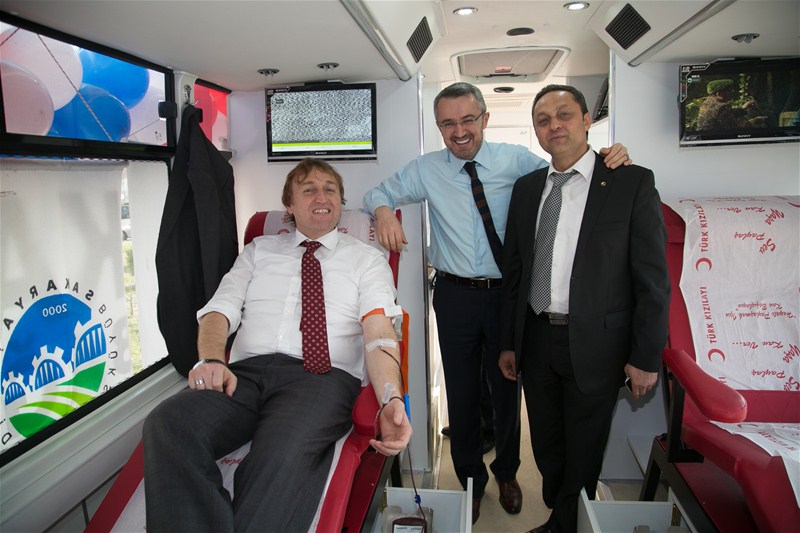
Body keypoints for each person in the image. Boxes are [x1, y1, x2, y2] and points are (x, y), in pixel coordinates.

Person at [363, 82, 630, 523]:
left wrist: (610, 156)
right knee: (461, 392)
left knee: (507, 391)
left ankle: (507, 472)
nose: (459, 131)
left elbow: (569, 168)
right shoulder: (426, 170)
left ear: (485, 118)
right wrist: (384, 211)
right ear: (439, 127)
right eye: (448, 123)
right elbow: (377, 192)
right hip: (453, 296)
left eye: (468, 119)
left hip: (509, 296)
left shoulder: (517, 161)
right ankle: (470, 478)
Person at [143, 158, 412, 532]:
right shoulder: (258, 251)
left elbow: (379, 331)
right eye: (309, 189)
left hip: (320, 379)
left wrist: (390, 398)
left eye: (330, 189)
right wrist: (211, 359)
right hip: (244, 376)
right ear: (289, 205)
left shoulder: (367, 259)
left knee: (281, 453)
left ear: (341, 201)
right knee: (168, 423)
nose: (322, 197)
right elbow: (218, 311)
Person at [499, 85, 670, 533]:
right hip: (536, 336)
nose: (554, 125)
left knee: (585, 445)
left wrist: (646, 356)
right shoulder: (527, 189)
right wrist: (508, 343)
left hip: (598, 341)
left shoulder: (630, 182)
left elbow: (652, 279)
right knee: (546, 444)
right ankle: (563, 514)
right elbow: (515, 272)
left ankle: (566, 525)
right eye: (542, 119)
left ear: (587, 120)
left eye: (564, 114)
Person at [696, 78, 766, 131]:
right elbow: (735, 129)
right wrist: (753, 121)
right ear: (719, 94)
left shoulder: (707, 102)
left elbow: (725, 115)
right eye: (728, 90)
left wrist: (743, 108)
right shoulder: (721, 107)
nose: (732, 92)